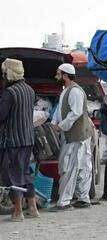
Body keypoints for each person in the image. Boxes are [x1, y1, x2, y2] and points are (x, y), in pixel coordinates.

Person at [49, 63, 94, 211]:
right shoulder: (66, 90)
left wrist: (60, 126)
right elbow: (60, 110)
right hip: (71, 135)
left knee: (70, 167)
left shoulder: (75, 92)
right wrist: (54, 123)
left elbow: (75, 113)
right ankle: (82, 198)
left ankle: (64, 202)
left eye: (58, 73)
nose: (56, 76)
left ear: (65, 76)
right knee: (77, 167)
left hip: (77, 136)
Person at [0, 58, 40, 221]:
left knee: (12, 175)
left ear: (8, 73)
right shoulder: (29, 90)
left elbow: (2, 115)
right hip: (27, 138)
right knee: (25, 173)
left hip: (13, 140)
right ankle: (33, 208)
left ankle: (18, 212)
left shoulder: (10, 93)